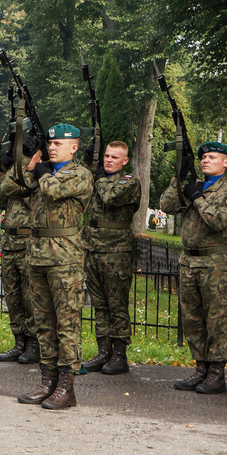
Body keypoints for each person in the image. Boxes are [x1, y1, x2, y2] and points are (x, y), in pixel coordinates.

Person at [17, 124, 92, 410]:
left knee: (67, 323)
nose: (52, 147)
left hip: (64, 257)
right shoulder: (44, 170)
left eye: (59, 143)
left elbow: (51, 190)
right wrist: (31, 163)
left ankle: (66, 386)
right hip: (37, 255)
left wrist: (41, 172)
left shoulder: (79, 174)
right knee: (43, 324)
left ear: (73, 147)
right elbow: (16, 186)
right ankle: (47, 381)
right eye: (50, 143)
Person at [160, 142, 227, 394]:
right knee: (192, 319)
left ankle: (217, 372)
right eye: (203, 158)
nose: (205, 161)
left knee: (217, 320)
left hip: (216, 264)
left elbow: (218, 221)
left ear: (225, 162)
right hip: (189, 262)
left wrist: (197, 198)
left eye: (212, 157)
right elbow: (167, 206)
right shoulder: (195, 185)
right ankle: (201, 368)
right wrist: (178, 178)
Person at [82, 141, 140, 374]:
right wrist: (87, 165)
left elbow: (109, 197)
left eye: (114, 157)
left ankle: (119, 354)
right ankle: (103, 351)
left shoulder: (129, 182)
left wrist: (98, 177)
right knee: (100, 305)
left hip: (116, 253)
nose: (108, 160)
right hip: (93, 249)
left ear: (124, 161)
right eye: (106, 156)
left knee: (117, 305)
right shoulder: (97, 179)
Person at [0, 146, 39, 365]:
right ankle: (19, 341)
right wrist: (6, 167)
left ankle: (32, 343)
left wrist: (26, 165)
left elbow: (25, 189)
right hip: (10, 242)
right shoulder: (15, 173)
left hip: (28, 242)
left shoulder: (34, 172)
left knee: (29, 296)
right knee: (12, 296)